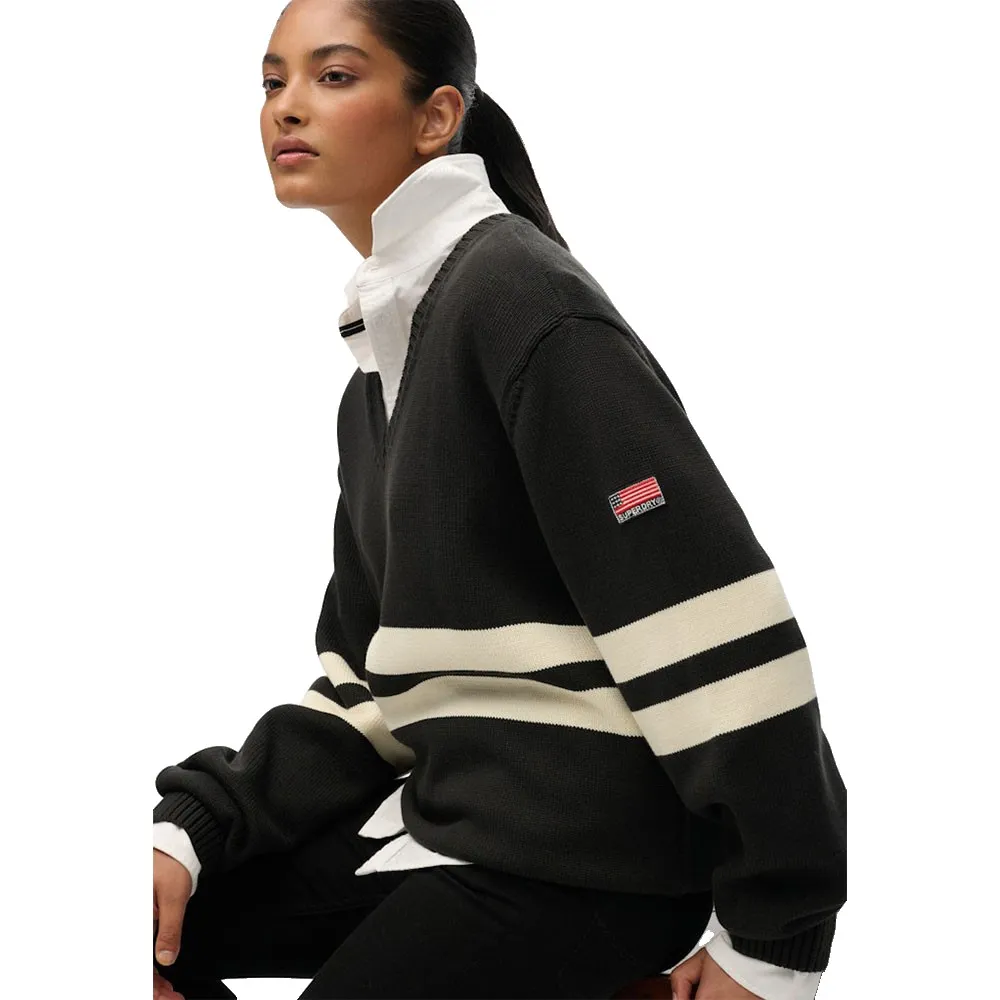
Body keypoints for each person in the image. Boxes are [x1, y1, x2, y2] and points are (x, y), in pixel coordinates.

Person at [152, 1, 847, 998]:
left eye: (333, 75)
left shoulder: (523, 301)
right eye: (272, 81)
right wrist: (198, 824)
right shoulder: (380, 369)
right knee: (142, 923)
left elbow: (708, 624)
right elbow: (368, 674)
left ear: (437, 117)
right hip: (457, 820)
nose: (286, 107)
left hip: (590, 860)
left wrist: (776, 939)